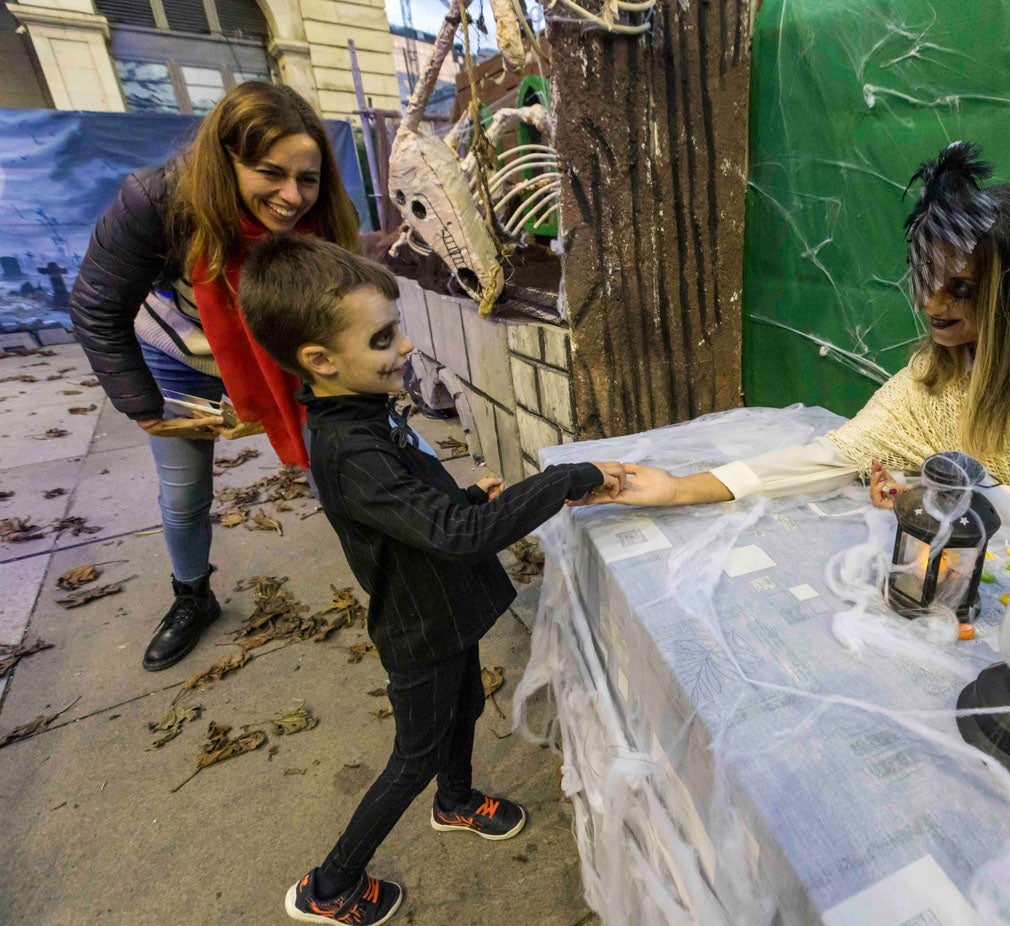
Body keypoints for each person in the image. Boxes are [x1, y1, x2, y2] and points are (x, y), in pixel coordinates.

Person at [237, 234, 625, 926]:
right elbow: (454, 537)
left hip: (446, 611)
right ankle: (331, 885)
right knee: (410, 757)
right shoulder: (347, 448)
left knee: (466, 708)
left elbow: (422, 514)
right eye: (384, 338)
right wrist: (567, 477)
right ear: (320, 361)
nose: (407, 348)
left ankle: (456, 800)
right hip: (418, 629)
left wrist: (468, 496)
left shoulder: (357, 411)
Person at [605, 141, 1010, 513]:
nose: (931, 303)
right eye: (924, 277)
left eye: (962, 286)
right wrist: (683, 488)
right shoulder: (943, 366)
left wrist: (942, 496)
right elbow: (842, 452)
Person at [69, 81, 361, 672]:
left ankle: (393, 579)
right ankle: (191, 599)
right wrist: (141, 404)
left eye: (306, 179)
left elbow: (342, 305)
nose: (291, 197)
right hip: (178, 353)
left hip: (276, 351)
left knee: (335, 468)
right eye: (269, 174)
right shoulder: (155, 200)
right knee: (184, 494)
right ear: (226, 158)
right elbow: (96, 306)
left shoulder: (320, 210)